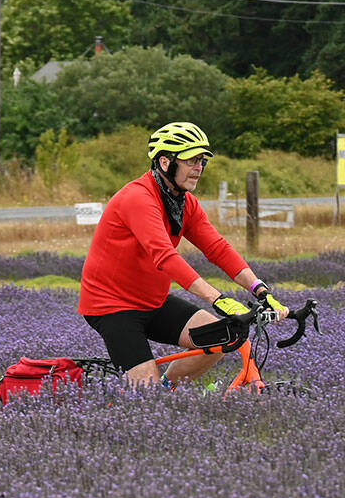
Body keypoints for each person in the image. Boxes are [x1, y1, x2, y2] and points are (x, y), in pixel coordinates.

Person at [78, 122, 288, 387]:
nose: (199, 167)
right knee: (145, 395)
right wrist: (218, 298)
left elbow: (217, 249)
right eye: (191, 160)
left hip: (152, 300)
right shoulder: (138, 198)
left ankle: (168, 390)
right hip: (113, 306)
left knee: (222, 337)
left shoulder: (184, 202)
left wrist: (260, 290)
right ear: (165, 162)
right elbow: (165, 257)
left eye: (201, 161)